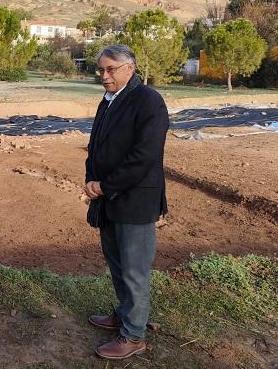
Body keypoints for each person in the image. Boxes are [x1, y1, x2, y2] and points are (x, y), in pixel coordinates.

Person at [84, 44, 169, 360]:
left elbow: (144, 157)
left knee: (134, 270)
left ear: (130, 68)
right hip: (108, 198)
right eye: (101, 70)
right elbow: (96, 145)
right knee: (117, 262)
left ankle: (134, 335)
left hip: (134, 201)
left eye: (110, 69)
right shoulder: (108, 100)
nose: (104, 76)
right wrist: (92, 181)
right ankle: (123, 314)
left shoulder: (148, 101)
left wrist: (104, 185)